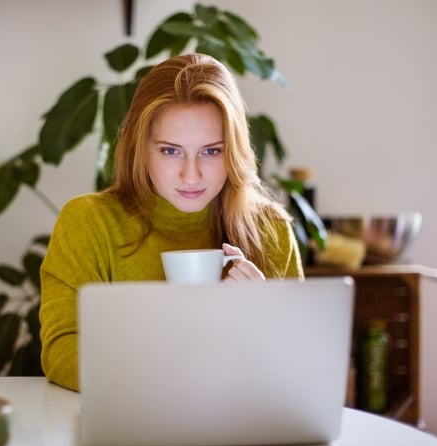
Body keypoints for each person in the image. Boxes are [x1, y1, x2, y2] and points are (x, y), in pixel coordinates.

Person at [39, 53, 303, 391]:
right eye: (170, 151)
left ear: (234, 150)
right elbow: (62, 351)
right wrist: (169, 380)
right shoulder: (88, 222)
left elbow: (296, 370)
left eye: (211, 151)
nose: (190, 175)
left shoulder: (271, 230)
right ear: (140, 148)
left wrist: (261, 322)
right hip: (127, 428)